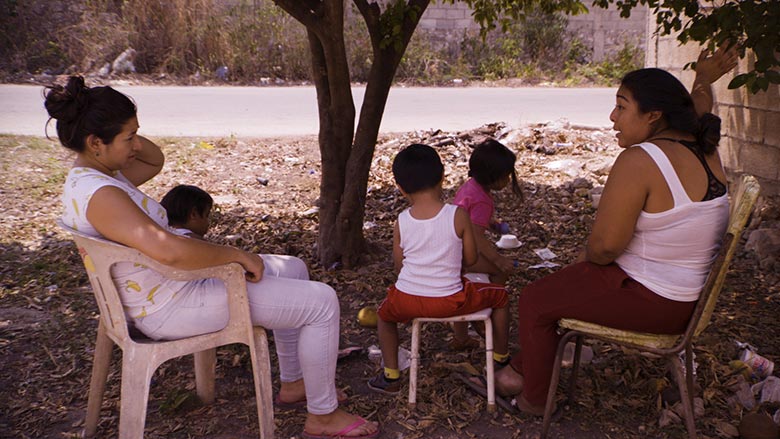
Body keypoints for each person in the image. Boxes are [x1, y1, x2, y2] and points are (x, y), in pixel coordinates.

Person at [46, 76, 378, 439]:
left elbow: (154, 161)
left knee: (295, 268)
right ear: (96, 143)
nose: (138, 144)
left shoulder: (97, 175)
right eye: (129, 138)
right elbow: (169, 251)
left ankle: (295, 384)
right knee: (322, 302)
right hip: (169, 305)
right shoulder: (102, 195)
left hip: (167, 289)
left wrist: (117, 121)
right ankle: (323, 417)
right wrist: (235, 255)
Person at [488, 45, 740, 416]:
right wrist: (703, 78)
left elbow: (606, 248)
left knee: (536, 300)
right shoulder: (703, 141)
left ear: (654, 115)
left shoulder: (640, 160)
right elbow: (700, 102)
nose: (612, 117)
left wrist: (585, 261)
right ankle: (517, 371)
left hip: (657, 303)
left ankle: (532, 400)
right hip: (682, 296)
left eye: (622, 106)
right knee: (569, 283)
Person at [367, 143, 511, 394]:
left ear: (400, 189)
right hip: (450, 300)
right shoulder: (457, 215)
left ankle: (391, 375)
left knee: (383, 316)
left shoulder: (401, 220)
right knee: (501, 297)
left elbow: (400, 266)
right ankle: (501, 358)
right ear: (443, 176)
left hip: (406, 300)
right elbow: (469, 259)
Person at [450, 138, 523, 351]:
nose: (508, 180)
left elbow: (471, 219)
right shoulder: (482, 200)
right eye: (506, 176)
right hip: (463, 255)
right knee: (502, 271)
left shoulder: (469, 187)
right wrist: (498, 259)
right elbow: (476, 236)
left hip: (453, 249)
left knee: (461, 286)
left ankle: (460, 337)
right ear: (493, 177)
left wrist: (492, 225)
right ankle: (488, 305)